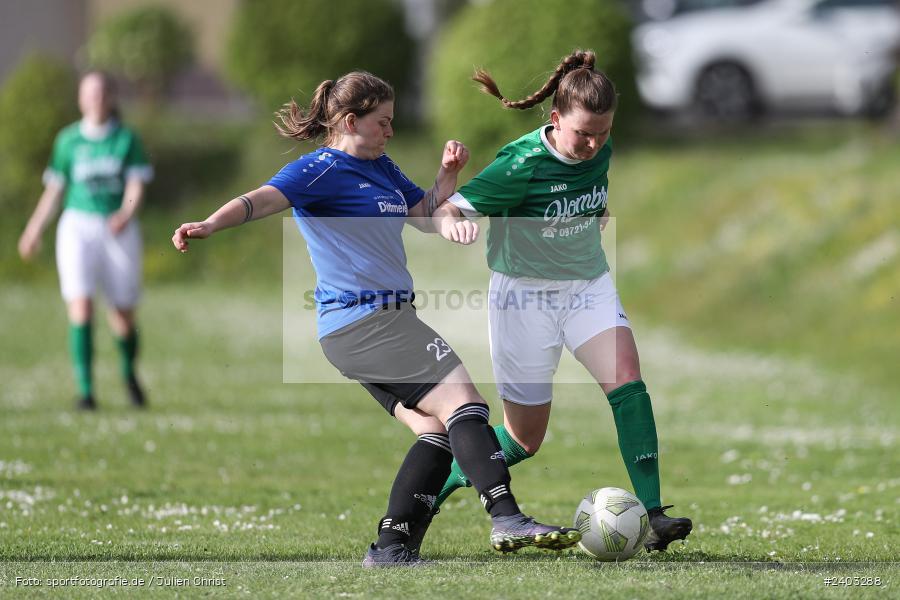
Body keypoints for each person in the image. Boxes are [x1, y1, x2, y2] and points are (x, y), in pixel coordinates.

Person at [171, 71, 580, 566]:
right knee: (466, 405)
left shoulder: (383, 167)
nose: (390, 130)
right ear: (350, 120)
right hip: (366, 322)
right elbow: (260, 200)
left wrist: (446, 177)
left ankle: (390, 549)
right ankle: (507, 516)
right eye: (382, 121)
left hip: (367, 326)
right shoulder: (318, 169)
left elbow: (426, 216)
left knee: (435, 430)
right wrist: (211, 223)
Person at [431, 50, 693, 552]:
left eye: (603, 132)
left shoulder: (601, 148)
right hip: (523, 300)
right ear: (555, 119)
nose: (594, 144)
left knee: (628, 381)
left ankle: (655, 514)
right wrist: (454, 222)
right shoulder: (520, 163)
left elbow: (591, 188)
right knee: (523, 440)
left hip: (587, 288)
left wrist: (596, 210)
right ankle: (428, 492)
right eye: (583, 134)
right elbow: (445, 208)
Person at [18, 71, 153, 410]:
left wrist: (126, 212)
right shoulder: (68, 141)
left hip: (117, 229)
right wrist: (34, 229)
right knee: (81, 306)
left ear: (111, 98)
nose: (95, 99)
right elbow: (55, 189)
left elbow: (136, 184)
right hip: (77, 227)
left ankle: (128, 373)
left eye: (101, 92)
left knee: (122, 315)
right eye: (89, 93)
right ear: (80, 98)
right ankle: (86, 391)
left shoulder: (126, 139)